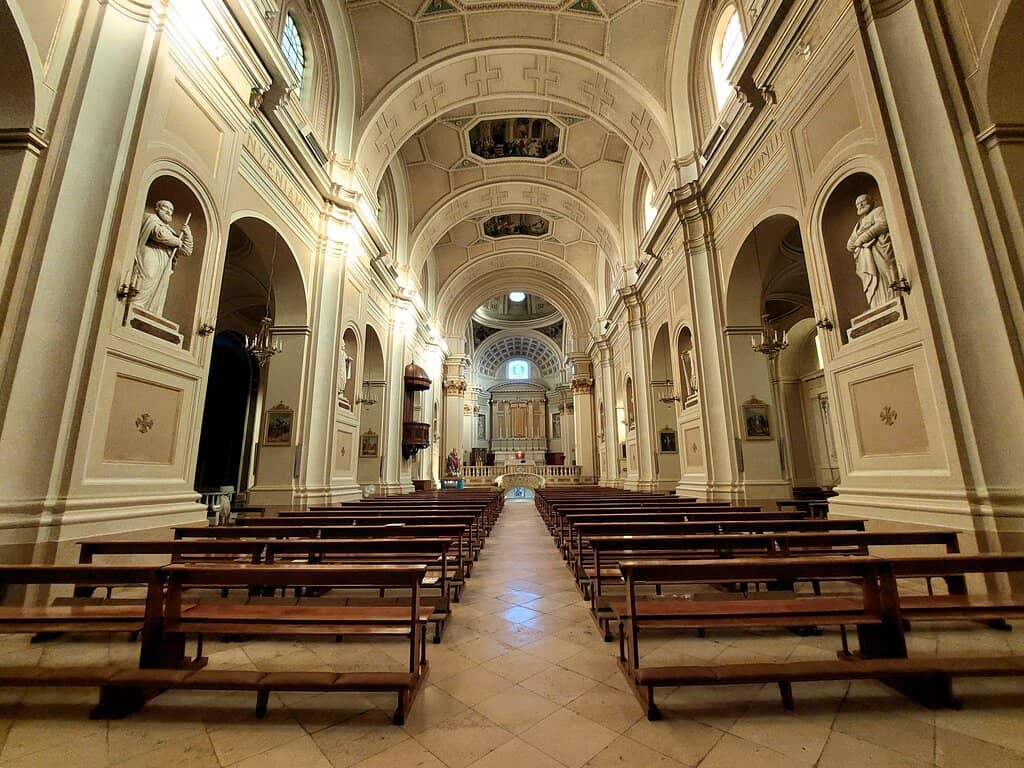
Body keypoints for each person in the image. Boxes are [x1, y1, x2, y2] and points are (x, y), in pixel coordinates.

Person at [134, 199, 193, 316]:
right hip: (150, 255)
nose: (169, 211)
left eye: (171, 209)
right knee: (146, 280)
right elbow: (158, 235)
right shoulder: (150, 219)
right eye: (166, 207)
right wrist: (178, 242)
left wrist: (188, 234)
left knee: (158, 292)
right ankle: (133, 308)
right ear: (157, 208)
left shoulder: (170, 231)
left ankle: (150, 314)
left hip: (164, 263)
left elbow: (186, 251)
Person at [847, 193, 898, 310]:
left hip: (879, 252)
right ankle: (876, 305)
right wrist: (858, 236)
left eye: (862, 202)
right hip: (865, 259)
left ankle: (892, 298)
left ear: (870, 202)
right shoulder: (858, 225)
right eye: (857, 204)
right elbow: (849, 245)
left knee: (885, 276)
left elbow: (883, 224)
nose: (859, 205)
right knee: (872, 283)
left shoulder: (878, 211)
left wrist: (863, 237)